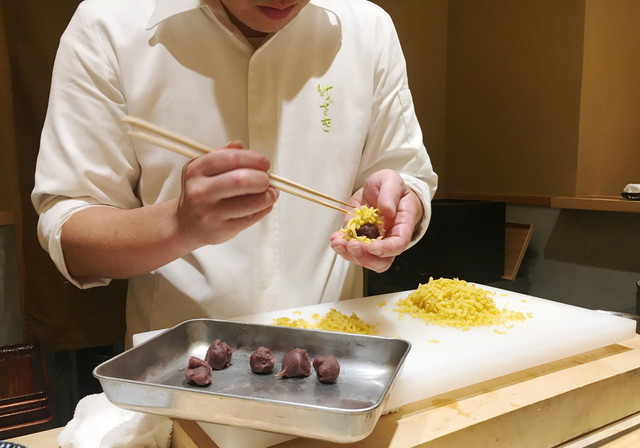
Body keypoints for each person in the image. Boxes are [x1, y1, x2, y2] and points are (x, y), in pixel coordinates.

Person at [32, 0, 438, 345]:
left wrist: (401, 203)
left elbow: (405, 173)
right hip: (182, 373)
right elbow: (72, 235)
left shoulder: (367, 27)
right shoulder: (110, 25)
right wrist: (179, 225)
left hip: (335, 360)